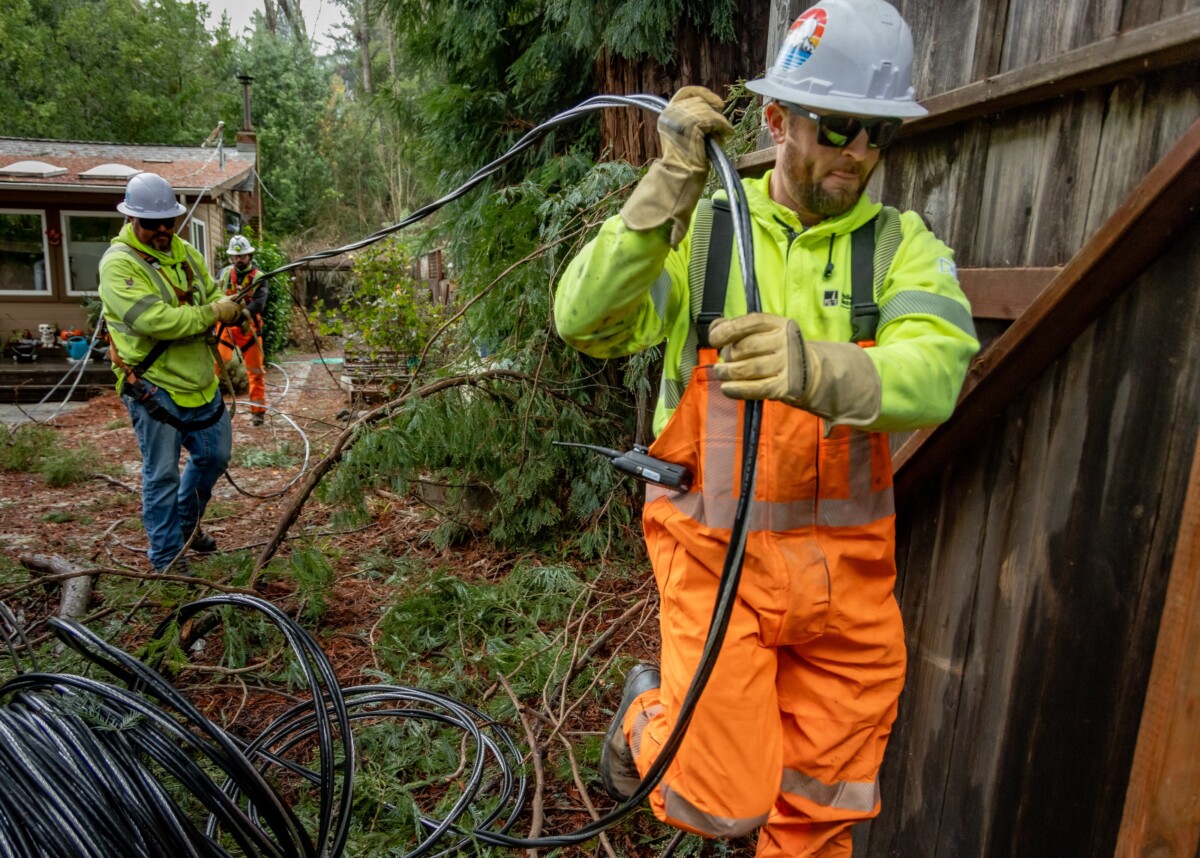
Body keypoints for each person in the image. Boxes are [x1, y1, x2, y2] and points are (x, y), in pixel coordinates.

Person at [554, 0, 980, 854]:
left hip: (848, 591)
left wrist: (815, 368)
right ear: (779, 119)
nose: (859, 154)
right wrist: (661, 193)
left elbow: (937, 371)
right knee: (722, 799)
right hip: (717, 563)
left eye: (878, 134)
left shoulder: (902, 247)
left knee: (822, 811)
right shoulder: (708, 239)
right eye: (841, 126)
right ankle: (646, 716)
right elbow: (585, 321)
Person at [98, 172, 244, 573]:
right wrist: (211, 313)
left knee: (214, 456)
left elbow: (211, 293)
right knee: (161, 476)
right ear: (132, 219)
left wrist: (227, 305)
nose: (162, 230)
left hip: (200, 381)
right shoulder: (118, 265)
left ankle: (185, 524)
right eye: (152, 224)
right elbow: (154, 320)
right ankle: (166, 556)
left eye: (169, 222)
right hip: (154, 386)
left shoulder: (183, 251)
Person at [214, 234, 269, 426]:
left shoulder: (259, 278)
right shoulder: (224, 274)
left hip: (249, 329)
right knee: (216, 367)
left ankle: (258, 412)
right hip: (226, 328)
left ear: (249, 256)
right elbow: (215, 295)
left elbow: (260, 303)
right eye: (236, 257)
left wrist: (245, 312)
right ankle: (210, 408)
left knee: (255, 371)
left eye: (242, 256)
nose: (239, 259)